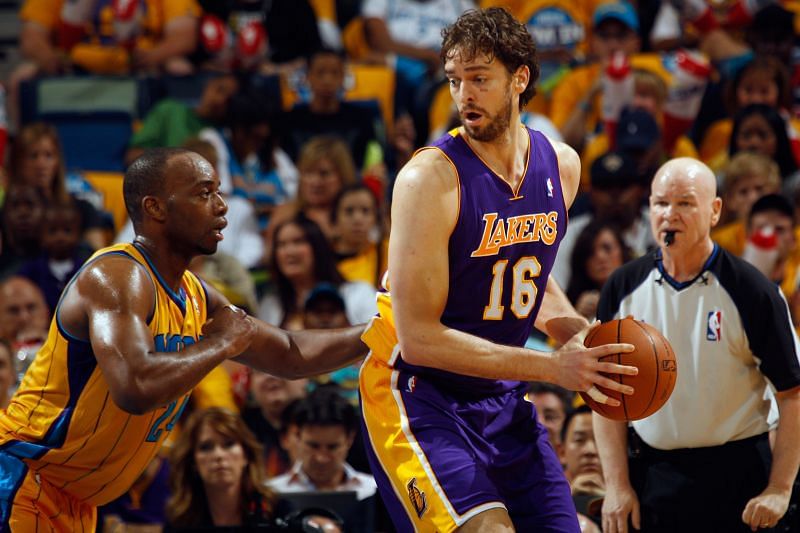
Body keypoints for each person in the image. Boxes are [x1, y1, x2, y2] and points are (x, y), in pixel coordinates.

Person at [359, 8, 638, 531]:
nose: (463, 94)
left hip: (501, 397)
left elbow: (524, 271)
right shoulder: (428, 180)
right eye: (454, 80)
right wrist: (554, 368)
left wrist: (567, 329)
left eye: (479, 78)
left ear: (520, 78)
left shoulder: (561, 166)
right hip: (419, 393)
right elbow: (419, 339)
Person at [0, 147, 367, 530]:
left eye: (218, 192)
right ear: (156, 208)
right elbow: (135, 385)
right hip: (21, 477)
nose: (222, 205)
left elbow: (291, 355)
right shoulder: (116, 276)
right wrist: (221, 344)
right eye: (204, 193)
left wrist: (382, 329)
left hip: (74, 501)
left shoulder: (194, 293)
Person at [594, 157, 800, 533]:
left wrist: (780, 488)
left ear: (715, 210)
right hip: (652, 474)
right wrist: (617, 485)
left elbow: (793, 395)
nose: (670, 214)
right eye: (660, 203)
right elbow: (607, 395)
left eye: (685, 203)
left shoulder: (753, 291)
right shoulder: (622, 287)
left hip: (737, 476)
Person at [166, 407, 287, 530]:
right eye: (206, 447)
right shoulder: (179, 520)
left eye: (229, 444)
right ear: (193, 462)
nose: (219, 455)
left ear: (246, 455)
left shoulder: (276, 512)